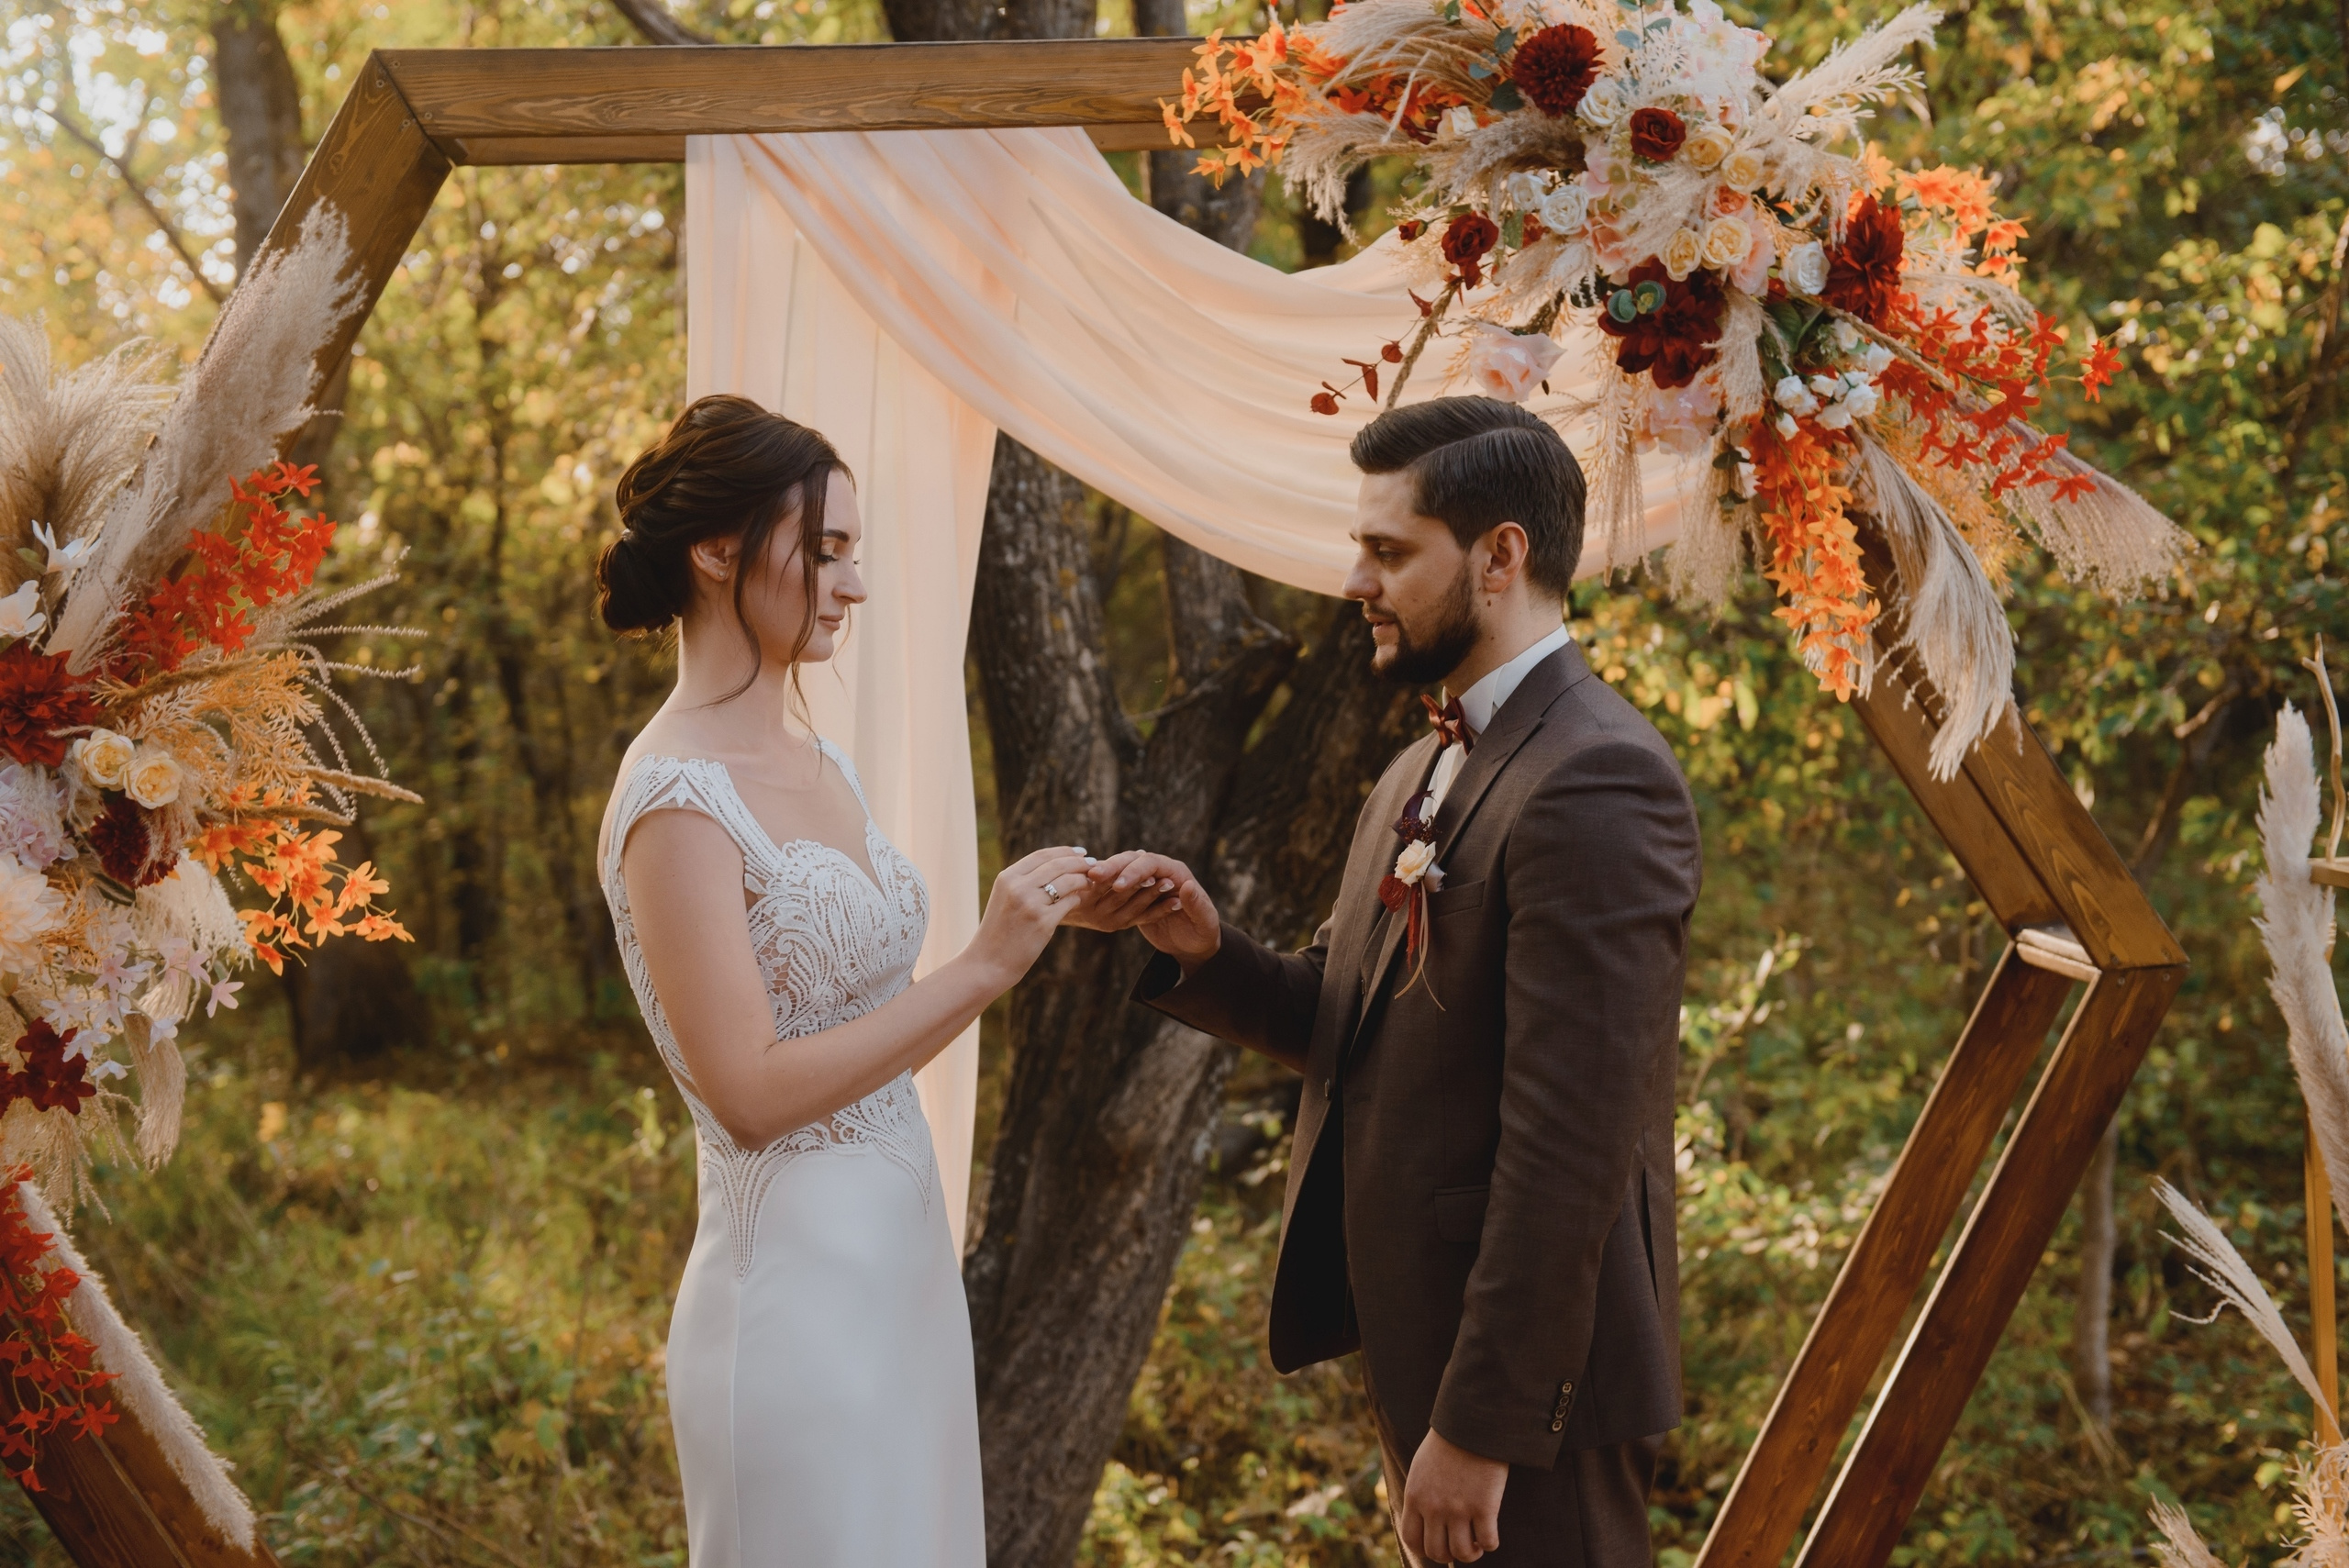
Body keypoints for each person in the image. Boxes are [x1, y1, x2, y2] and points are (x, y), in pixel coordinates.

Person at [1088, 396, 1702, 1566]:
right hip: (1428, 1344)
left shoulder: (1598, 776)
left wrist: (1480, 1425)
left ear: (1498, 557)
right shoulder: (1427, 758)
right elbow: (1352, 1013)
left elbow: (1572, 1142)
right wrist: (1206, 951)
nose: (1354, 577)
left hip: (1532, 1402)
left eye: (1386, 550)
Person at [593, 395, 1161, 1567]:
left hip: (902, 1279)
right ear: (715, 552)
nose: (850, 584)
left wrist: (1049, 914)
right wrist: (985, 965)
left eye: (854, 553)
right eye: (826, 548)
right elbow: (749, 1091)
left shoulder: (824, 759)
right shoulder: (673, 800)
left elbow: (862, 1015)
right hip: (792, 1314)